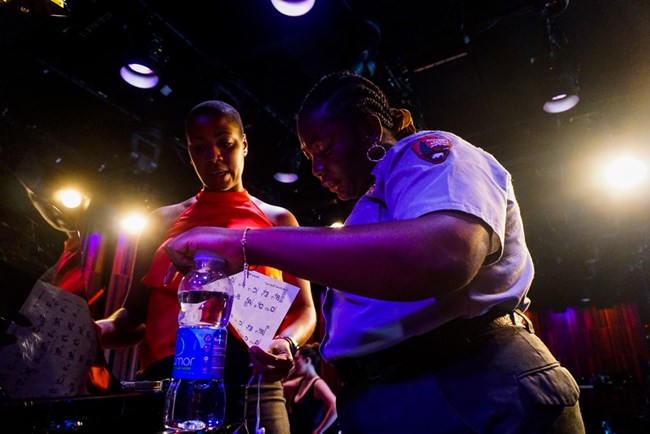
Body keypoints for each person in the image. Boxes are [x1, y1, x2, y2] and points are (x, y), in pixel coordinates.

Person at [163, 70, 586, 433]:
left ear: (368, 128)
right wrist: (290, 346)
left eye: (323, 149)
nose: (315, 168)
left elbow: (442, 255)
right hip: (404, 392)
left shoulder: (426, 151)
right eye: (308, 156)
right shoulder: (374, 206)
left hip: (464, 382)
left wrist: (242, 242)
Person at [96, 100, 317, 433]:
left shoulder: (277, 220)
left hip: (253, 388)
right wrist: (93, 333)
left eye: (224, 143)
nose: (212, 156)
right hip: (165, 389)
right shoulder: (162, 221)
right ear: (188, 152)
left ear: (243, 144)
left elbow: (305, 310)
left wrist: (286, 344)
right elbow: (135, 315)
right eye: (199, 148)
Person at [282, 342, 338, 434]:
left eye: (296, 359)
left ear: (307, 360)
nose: (294, 363)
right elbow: (279, 387)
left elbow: (335, 406)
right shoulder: (300, 382)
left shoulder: (318, 384)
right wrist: (290, 370)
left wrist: (319, 430)